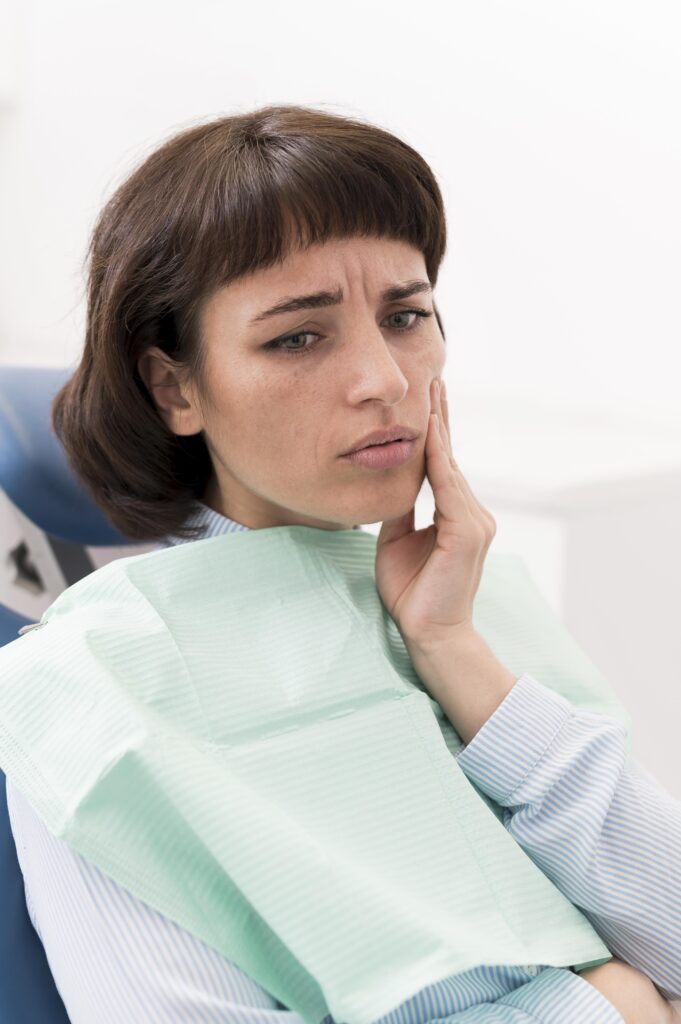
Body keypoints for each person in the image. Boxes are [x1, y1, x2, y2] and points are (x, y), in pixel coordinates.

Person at [6, 104, 681, 1022]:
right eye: (298, 336)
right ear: (174, 387)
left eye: (406, 315)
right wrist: (594, 1012)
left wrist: (453, 653)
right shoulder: (92, 687)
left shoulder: (474, 605)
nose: (385, 379)